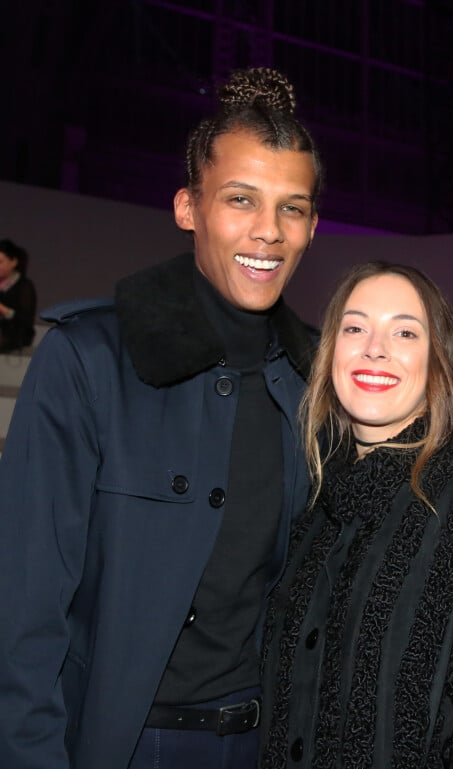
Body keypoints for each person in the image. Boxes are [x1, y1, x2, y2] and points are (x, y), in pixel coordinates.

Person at [0, 68, 321, 769]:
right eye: (241, 200)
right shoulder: (88, 361)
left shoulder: (315, 386)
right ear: (188, 207)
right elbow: (22, 614)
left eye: (291, 208)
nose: (268, 231)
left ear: (311, 226)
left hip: (269, 742)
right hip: (126, 744)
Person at [260, 261, 453, 768]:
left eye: (405, 331)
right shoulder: (310, 512)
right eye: (355, 327)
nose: (375, 347)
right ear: (329, 355)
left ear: (440, 363)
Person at [0, 238, 37, 351]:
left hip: (15, 334)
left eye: (0, 262)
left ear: (14, 262)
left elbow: (25, 320)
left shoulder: (24, 286)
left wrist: (2, 309)